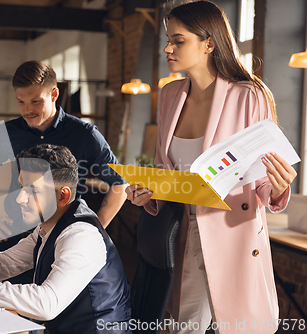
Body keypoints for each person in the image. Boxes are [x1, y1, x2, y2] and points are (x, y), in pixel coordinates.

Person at [126, 1, 297, 334]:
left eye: (178, 40)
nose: (168, 48)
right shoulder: (170, 95)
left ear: (209, 43)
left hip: (233, 230)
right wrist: (150, 191)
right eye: (168, 39)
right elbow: (165, 166)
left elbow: (260, 177)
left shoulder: (250, 96)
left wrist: (278, 188)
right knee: (180, 329)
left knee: (239, 328)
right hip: (181, 232)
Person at [0, 144, 132, 334]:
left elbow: (46, 303)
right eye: (21, 187)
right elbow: (3, 262)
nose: (20, 198)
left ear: (63, 195)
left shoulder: (81, 236)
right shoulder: (48, 227)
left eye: (32, 190)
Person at [0, 60, 127, 283]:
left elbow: (120, 184)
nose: (27, 110)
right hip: (15, 237)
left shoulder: (85, 134)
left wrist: (94, 229)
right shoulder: (8, 132)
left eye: (35, 102)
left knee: (53, 307)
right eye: (21, 102)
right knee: (9, 305)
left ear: (54, 94)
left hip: (62, 239)